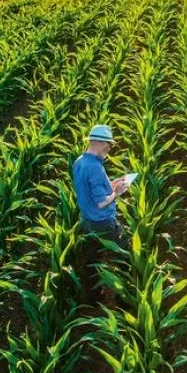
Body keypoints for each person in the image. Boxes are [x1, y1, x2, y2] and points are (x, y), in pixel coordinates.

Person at [72, 124, 130, 291]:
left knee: (92, 259)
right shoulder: (95, 167)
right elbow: (101, 202)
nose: (109, 148)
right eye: (108, 144)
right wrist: (117, 193)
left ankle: (92, 296)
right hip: (102, 221)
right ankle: (123, 296)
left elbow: (90, 190)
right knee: (124, 254)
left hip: (87, 220)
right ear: (99, 143)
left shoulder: (80, 162)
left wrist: (113, 183)